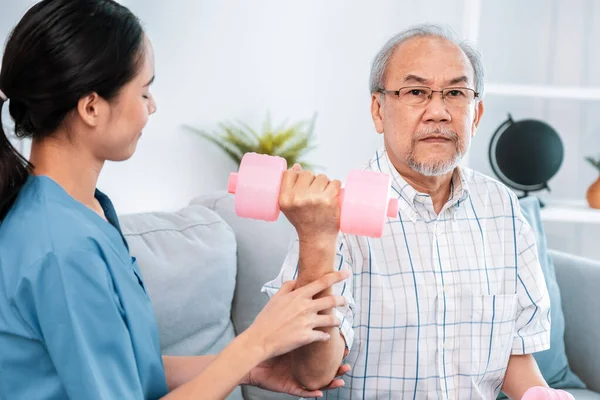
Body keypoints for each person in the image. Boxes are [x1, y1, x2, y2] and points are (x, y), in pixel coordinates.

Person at [0, 1, 350, 399]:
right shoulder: (60, 249)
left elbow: (125, 368)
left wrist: (248, 367)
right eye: (144, 90)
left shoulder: (85, 210)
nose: (152, 106)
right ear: (92, 107)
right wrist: (254, 343)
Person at [264, 24, 574, 399]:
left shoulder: (502, 207)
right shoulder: (331, 217)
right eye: (416, 92)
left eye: (456, 93)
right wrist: (317, 238)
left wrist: (539, 395)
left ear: (475, 114)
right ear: (378, 110)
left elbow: (512, 352)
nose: (439, 112)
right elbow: (313, 374)